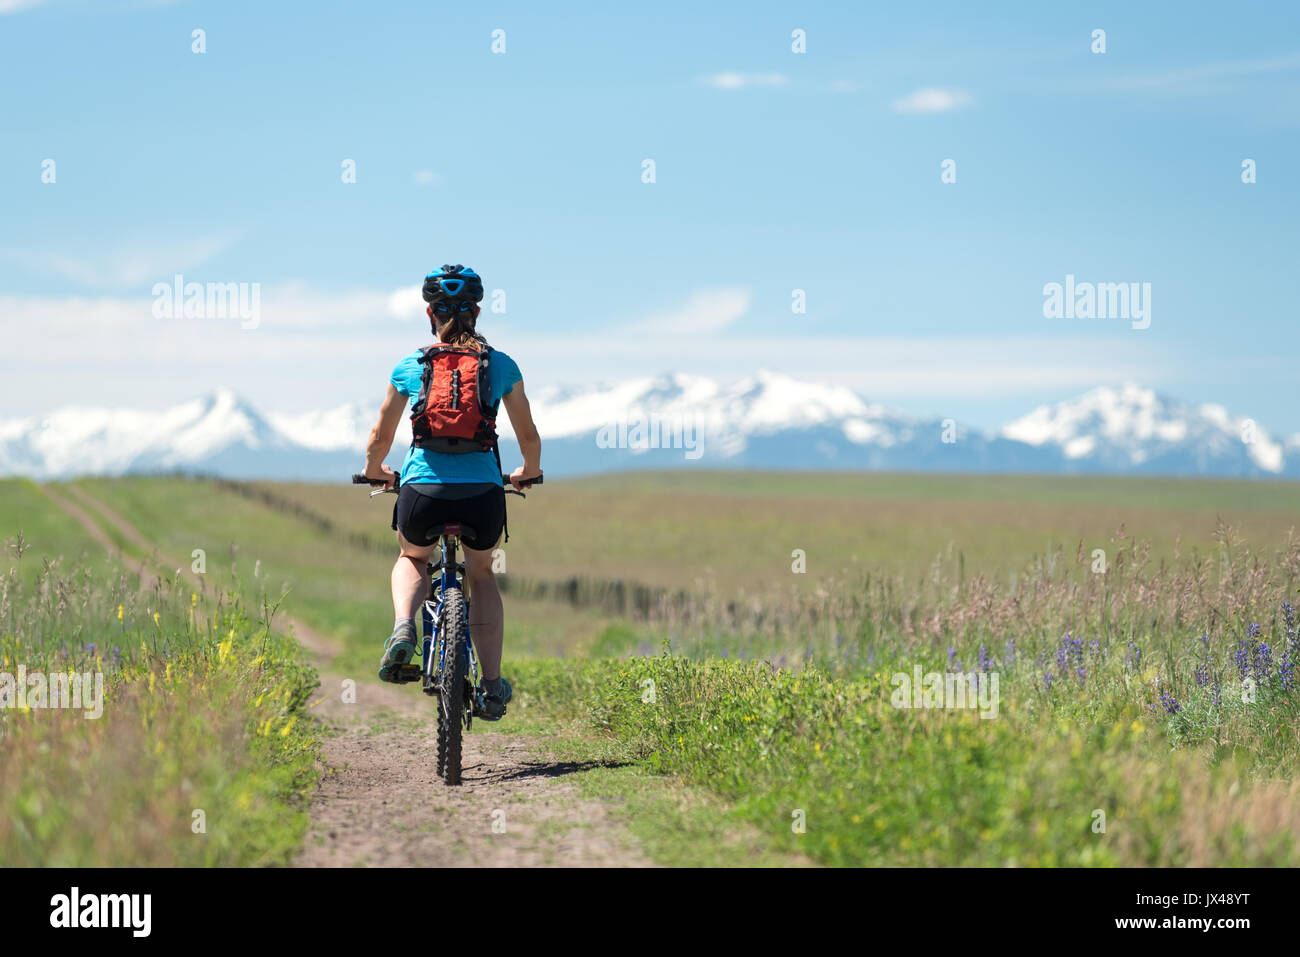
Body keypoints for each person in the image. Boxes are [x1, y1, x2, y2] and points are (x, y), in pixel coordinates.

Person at [362, 264, 542, 720]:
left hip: (424, 492)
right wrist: (527, 472)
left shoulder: (411, 365)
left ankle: (404, 627)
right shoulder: (500, 365)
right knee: (481, 574)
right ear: (477, 311)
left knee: (412, 558)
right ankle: (494, 684)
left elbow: (379, 438)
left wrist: (375, 470)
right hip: (482, 494)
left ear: (429, 312)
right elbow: (529, 437)